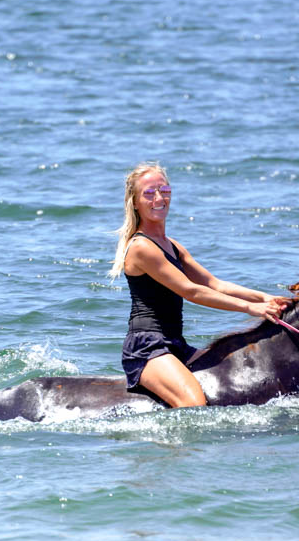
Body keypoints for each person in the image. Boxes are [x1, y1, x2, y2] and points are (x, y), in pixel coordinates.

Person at [109, 162, 289, 408]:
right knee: (193, 404)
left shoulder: (172, 245)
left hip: (176, 344)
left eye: (164, 190)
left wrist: (265, 299)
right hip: (147, 348)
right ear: (135, 203)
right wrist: (250, 309)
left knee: (236, 378)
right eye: (149, 193)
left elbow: (215, 284)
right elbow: (190, 290)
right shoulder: (141, 247)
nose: (159, 198)